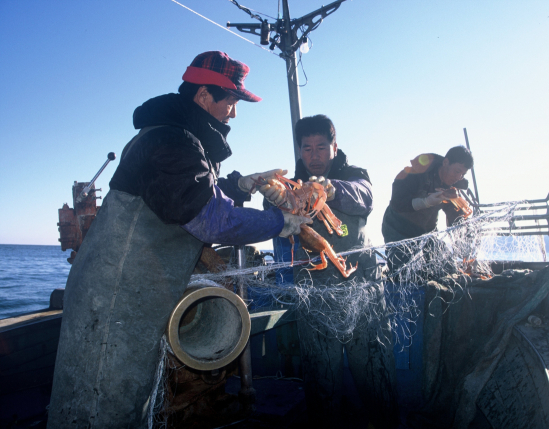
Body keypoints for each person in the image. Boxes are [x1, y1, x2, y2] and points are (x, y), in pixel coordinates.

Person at [47, 51, 310, 428]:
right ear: (204, 97)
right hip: (111, 305)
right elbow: (210, 219)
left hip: (135, 302)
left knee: (130, 401)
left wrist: (240, 184)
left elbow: (193, 190)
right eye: (231, 102)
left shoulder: (180, 137)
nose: (233, 114)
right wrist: (279, 222)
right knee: (99, 407)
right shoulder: (171, 141)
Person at [262, 115, 398, 428]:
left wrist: (330, 189)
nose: (314, 155)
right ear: (299, 151)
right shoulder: (290, 186)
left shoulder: (353, 176)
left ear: (334, 147)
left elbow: (365, 197)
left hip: (363, 289)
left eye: (321, 147)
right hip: (314, 292)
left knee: (376, 366)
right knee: (321, 373)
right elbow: (276, 225)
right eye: (307, 148)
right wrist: (272, 202)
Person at [381, 146, 474, 271]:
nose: (459, 177)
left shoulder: (452, 188)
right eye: (457, 171)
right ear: (446, 162)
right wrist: (425, 202)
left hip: (427, 233)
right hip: (398, 229)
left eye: (463, 174)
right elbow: (397, 203)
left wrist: (465, 238)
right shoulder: (416, 174)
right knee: (402, 273)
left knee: (447, 267)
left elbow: (455, 217)